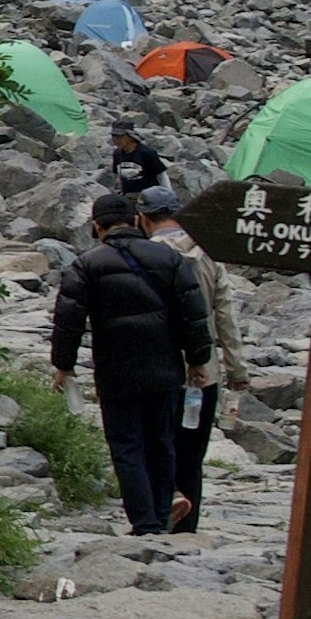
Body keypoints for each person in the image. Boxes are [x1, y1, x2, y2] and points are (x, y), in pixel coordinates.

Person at [48, 196, 191, 541]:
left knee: (127, 445)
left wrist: (63, 366)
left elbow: (68, 321)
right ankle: (160, 513)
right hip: (166, 367)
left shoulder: (86, 264)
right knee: (162, 442)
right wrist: (199, 360)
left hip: (115, 370)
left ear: (97, 226)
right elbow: (193, 313)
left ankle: (145, 522)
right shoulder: (171, 259)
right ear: (137, 220)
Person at [135, 192, 223, 532]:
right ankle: (189, 527)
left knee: (158, 443)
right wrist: (238, 370)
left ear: (143, 218)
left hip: (162, 367)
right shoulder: (209, 253)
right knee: (193, 452)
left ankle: (161, 514)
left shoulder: (147, 256)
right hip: (205, 371)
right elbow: (225, 314)